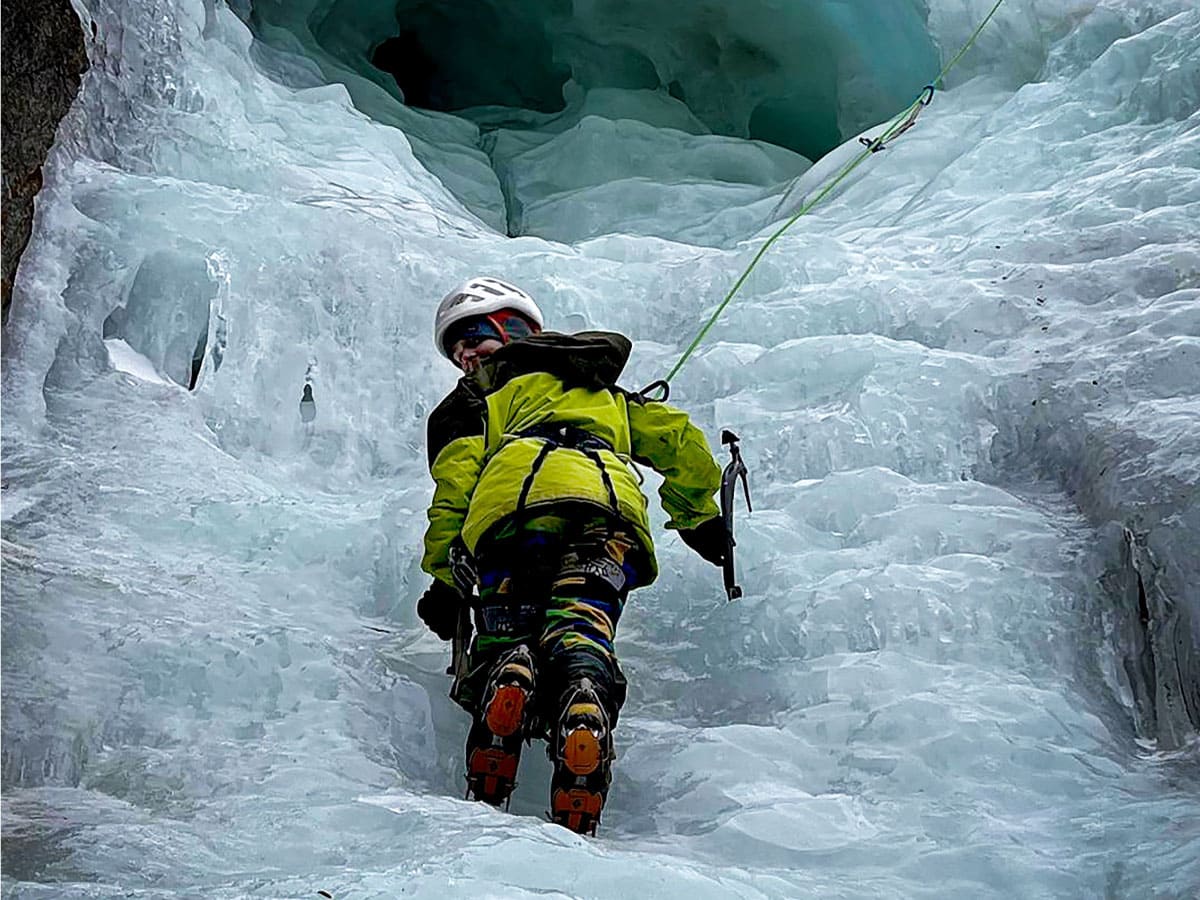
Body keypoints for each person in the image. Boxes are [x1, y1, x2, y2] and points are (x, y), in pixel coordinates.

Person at [417, 275, 727, 835]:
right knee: (582, 627)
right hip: (607, 513)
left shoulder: (477, 398)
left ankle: (506, 666)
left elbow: (456, 481)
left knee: (507, 629)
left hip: (513, 516)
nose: (465, 353)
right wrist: (697, 515)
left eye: (473, 337)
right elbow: (681, 443)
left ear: (512, 332)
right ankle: (582, 696)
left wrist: (445, 575)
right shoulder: (601, 389)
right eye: (458, 346)